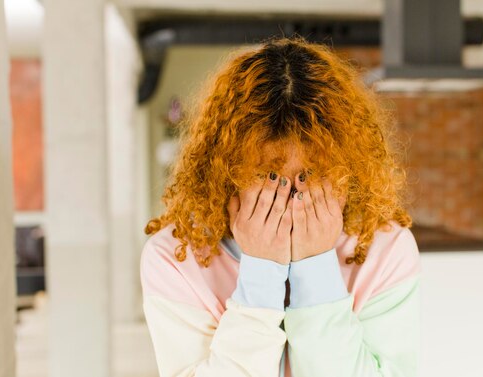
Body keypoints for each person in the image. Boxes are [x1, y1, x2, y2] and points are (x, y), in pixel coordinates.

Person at [140, 36, 421, 377]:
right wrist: (261, 273)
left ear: (344, 170)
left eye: (309, 177)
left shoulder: (385, 249)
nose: (288, 201)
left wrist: (316, 267)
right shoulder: (176, 257)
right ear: (226, 172)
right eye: (269, 177)